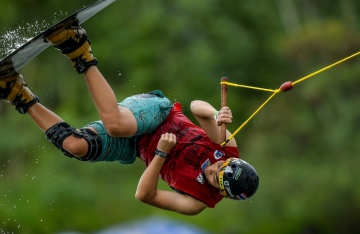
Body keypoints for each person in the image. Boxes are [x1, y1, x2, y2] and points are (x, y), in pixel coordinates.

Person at [0, 25, 259, 215]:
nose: (212, 170)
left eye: (215, 178)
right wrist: (215, 114)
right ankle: (77, 48)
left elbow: (144, 195)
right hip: (159, 115)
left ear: (221, 192)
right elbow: (196, 108)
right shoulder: (225, 147)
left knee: (76, 147)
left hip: (140, 147)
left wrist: (160, 154)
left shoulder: (197, 202)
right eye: (219, 168)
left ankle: (17, 93)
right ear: (230, 161)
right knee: (115, 125)